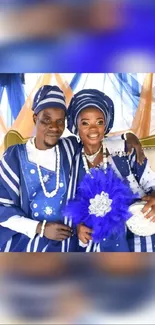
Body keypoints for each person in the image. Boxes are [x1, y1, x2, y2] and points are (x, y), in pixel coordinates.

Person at [0, 85, 145, 252]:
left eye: (60, 121)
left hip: (69, 237)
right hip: (29, 236)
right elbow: (2, 207)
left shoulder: (69, 147)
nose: (54, 127)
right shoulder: (15, 156)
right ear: (35, 118)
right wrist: (40, 228)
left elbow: (95, 137)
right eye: (46, 119)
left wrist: (128, 136)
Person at [66, 88, 155, 252]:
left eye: (99, 122)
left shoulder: (124, 149)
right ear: (75, 126)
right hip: (97, 235)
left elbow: (152, 184)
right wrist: (78, 225)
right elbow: (72, 202)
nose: (93, 129)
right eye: (85, 123)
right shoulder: (72, 159)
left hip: (139, 226)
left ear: (106, 124)